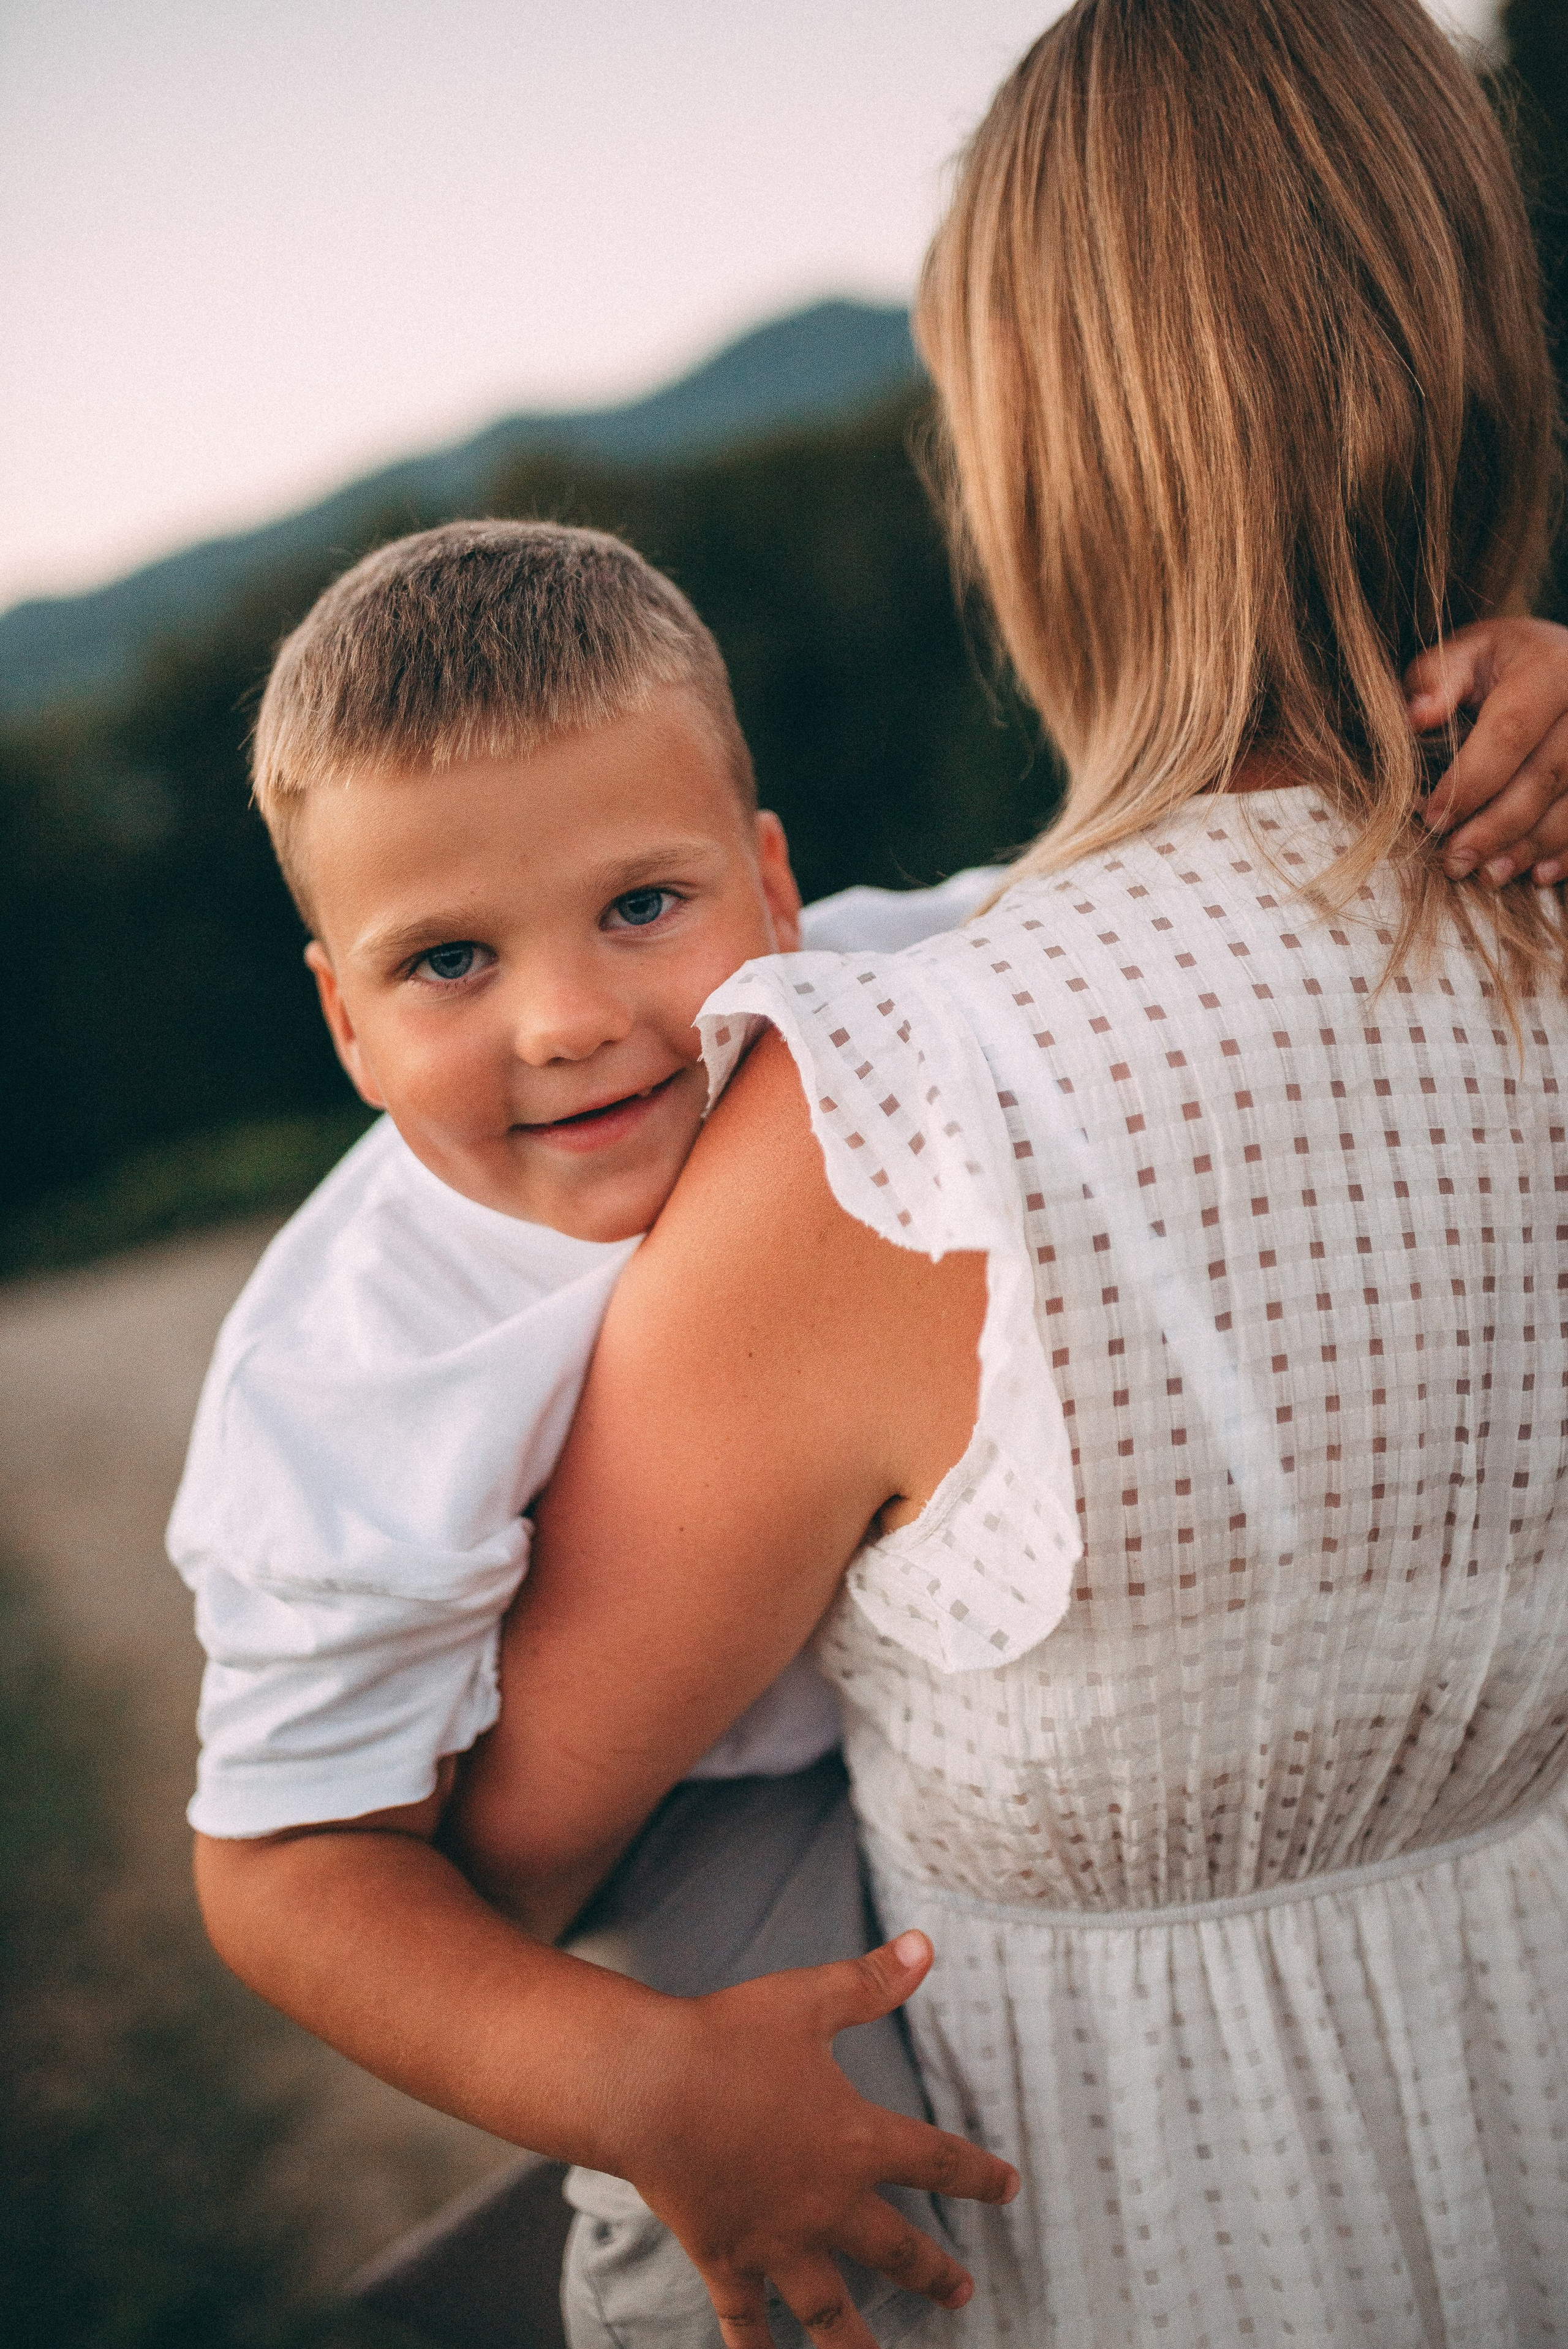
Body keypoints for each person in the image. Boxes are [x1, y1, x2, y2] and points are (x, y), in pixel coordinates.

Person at [448, 2, 1568, 2341]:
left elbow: (496, 1855)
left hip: (1150, 2251)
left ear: (1031, 466)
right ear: (1484, 337)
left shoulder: (898, 1116)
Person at [174, 518, 1024, 2344]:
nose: (568, 1021)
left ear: (774, 887)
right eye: (447, 961)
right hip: (720, 1801)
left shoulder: (886, 982)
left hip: (979, 1670)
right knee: (797, 2225)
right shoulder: (344, 1376)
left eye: (644, 907)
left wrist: (1512, 715)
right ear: (341, 1018)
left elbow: (1180, 893)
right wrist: (641, 2082)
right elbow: (284, 1870)